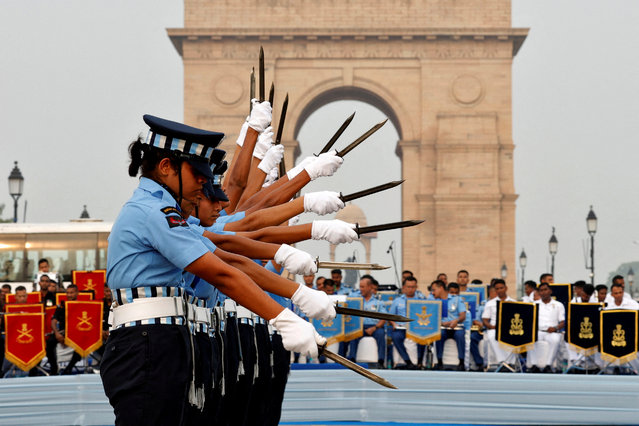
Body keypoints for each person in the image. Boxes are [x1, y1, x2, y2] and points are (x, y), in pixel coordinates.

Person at [100, 114, 327, 425]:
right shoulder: (153, 212)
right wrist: (283, 315)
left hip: (167, 338)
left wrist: (297, 293)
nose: (204, 186)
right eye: (199, 175)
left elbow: (227, 256)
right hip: (148, 341)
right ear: (166, 167)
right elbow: (223, 269)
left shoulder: (165, 212)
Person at [347, 276, 387, 367]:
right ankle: (352, 360)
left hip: (375, 326)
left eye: (362, 287)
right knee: (354, 334)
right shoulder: (356, 300)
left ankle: (381, 361)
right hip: (360, 326)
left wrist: (374, 328)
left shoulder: (378, 302)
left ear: (369, 287)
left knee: (381, 334)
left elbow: (384, 318)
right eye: (360, 287)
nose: (360, 289)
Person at [526, 282, 565, 373]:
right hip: (538, 330)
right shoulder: (534, 304)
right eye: (541, 290)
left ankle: (548, 364)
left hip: (552, 331)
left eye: (545, 290)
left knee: (555, 340)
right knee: (529, 339)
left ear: (550, 291)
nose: (543, 292)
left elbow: (562, 322)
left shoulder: (558, 305)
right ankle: (534, 364)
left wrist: (555, 328)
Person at [389, 276, 424, 369]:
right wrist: (394, 324)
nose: (411, 289)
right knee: (396, 337)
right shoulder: (397, 301)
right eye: (408, 287)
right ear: (404, 288)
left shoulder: (421, 300)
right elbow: (390, 316)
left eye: (413, 287)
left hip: (416, 328)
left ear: (416, 287)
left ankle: (419, 362)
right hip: (401, 328)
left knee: (424, 337)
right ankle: (407, 361)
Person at [48, 284, 83, 375]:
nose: (69, 295)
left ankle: (69, 368)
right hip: (62, 333)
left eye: (71, 293)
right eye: (67, 293)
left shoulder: (82, 305)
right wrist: (56, 333)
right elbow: (53, 321)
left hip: (78, 333)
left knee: (83, 343)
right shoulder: (62, 306)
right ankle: (54, 367)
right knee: (49, 343)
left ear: (77, 293)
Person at [431, 280, 466, 370]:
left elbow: (463, 315)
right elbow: (431, 317)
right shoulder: (433, 301)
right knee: (439, 334)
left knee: (460, 335)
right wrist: (442, 323)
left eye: (434, 290)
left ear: (441, 288)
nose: (432, 292)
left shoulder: (457, 299)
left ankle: (461, 362)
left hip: (456, 327)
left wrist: (456, 320)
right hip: (442, 327)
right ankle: (439, 361)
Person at [482, 279, 516, 368]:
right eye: (497, 289)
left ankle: (510, 363)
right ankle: (503, 362)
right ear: (495, 290)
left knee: (514, 337)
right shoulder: (490, 303)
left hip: (510, 328)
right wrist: (490, 326)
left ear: (506, 288)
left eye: (501, 288)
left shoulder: (514, 302)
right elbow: (485, 319)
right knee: (492, 336)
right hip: (494, 328)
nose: (500, 290)